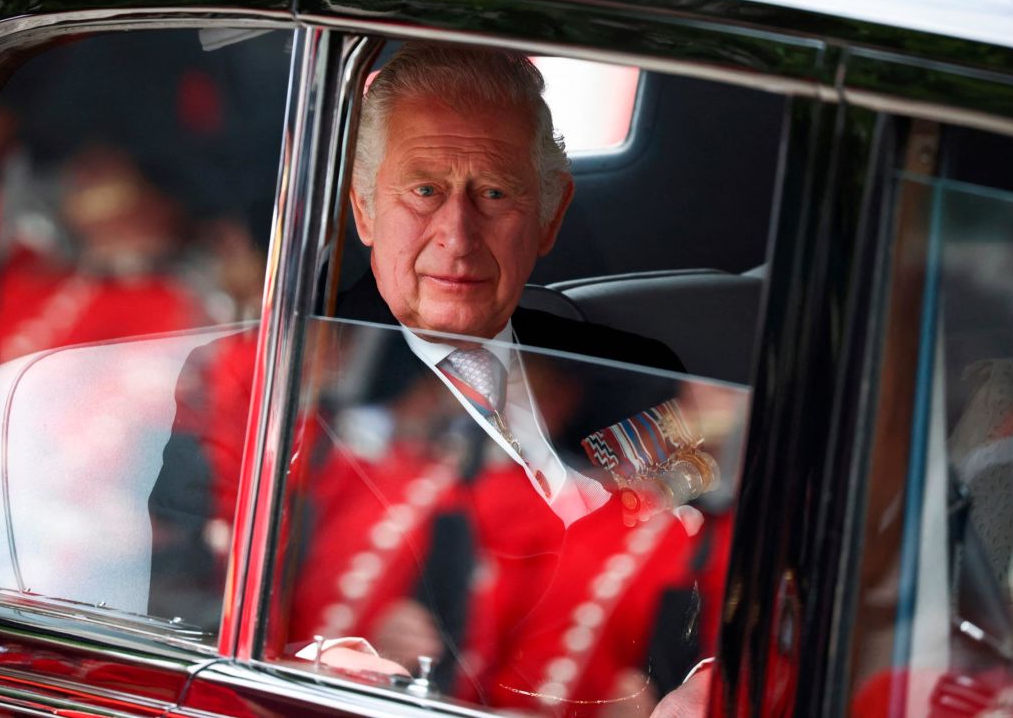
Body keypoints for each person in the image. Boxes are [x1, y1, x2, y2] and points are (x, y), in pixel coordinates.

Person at [151, 42, 720, 714]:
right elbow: (192, 631)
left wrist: (712, 676)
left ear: (549, 215)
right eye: (424, 190)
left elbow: (733, 579)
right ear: (364, 209)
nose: (457, 234)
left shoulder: (640, 375)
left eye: (495, 192)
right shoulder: (265, 387)